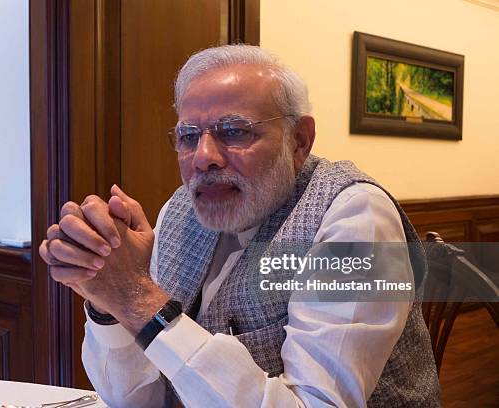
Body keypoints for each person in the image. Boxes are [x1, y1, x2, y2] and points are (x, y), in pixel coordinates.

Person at [39, 44, 439, 407]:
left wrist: (138, 300)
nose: (204, 156)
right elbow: (138, 401)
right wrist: (108, 297)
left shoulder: (355, 216)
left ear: (299, 140)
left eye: (234, 131)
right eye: (188, 136)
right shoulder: (179, 211)